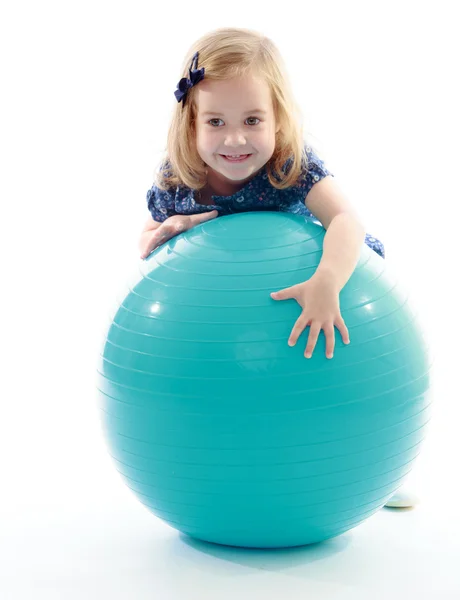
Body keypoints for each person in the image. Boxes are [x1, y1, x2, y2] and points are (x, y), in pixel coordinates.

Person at [138, 27, 418, 509]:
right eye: (216, 121)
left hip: (318, 286)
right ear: (190, 123)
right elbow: (144, 243)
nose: (235, 139)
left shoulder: (290, 164)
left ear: (278, 119)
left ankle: (369, 465)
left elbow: (347, 221)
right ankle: (224, 472)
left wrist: (328, 281)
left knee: (344, 368)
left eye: (252, 119)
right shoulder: (179, 176)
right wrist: (173, 226)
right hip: (220, 323)